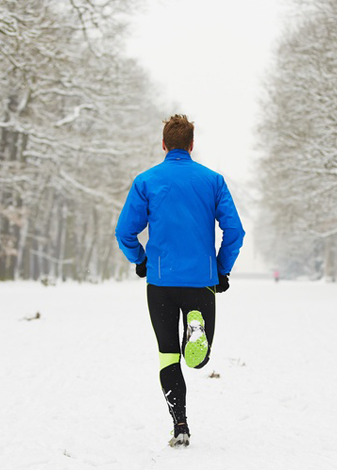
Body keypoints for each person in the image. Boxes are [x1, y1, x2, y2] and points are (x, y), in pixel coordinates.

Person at [114, 115, 245, 447]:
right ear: (191, 144)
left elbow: (124, 231)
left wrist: (140, 260)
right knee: (197, 359)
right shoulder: (212, 181)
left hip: (161, 282)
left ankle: (180, 425)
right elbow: (234, 231)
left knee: (168, 356)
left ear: (163, 144)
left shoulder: (146, 181)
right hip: (201, 281)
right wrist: (221, 268)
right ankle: (196, 328)